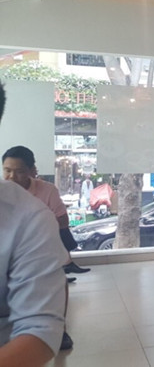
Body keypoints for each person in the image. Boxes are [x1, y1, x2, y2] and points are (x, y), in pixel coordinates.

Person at [0, 83, 68, 366]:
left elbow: (60, 218)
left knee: (60, 267)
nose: (12, 176)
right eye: (7, 170)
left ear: (31, 171)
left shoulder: (32, 211)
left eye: (18, 171)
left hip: (50, 241)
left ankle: (62, 324)